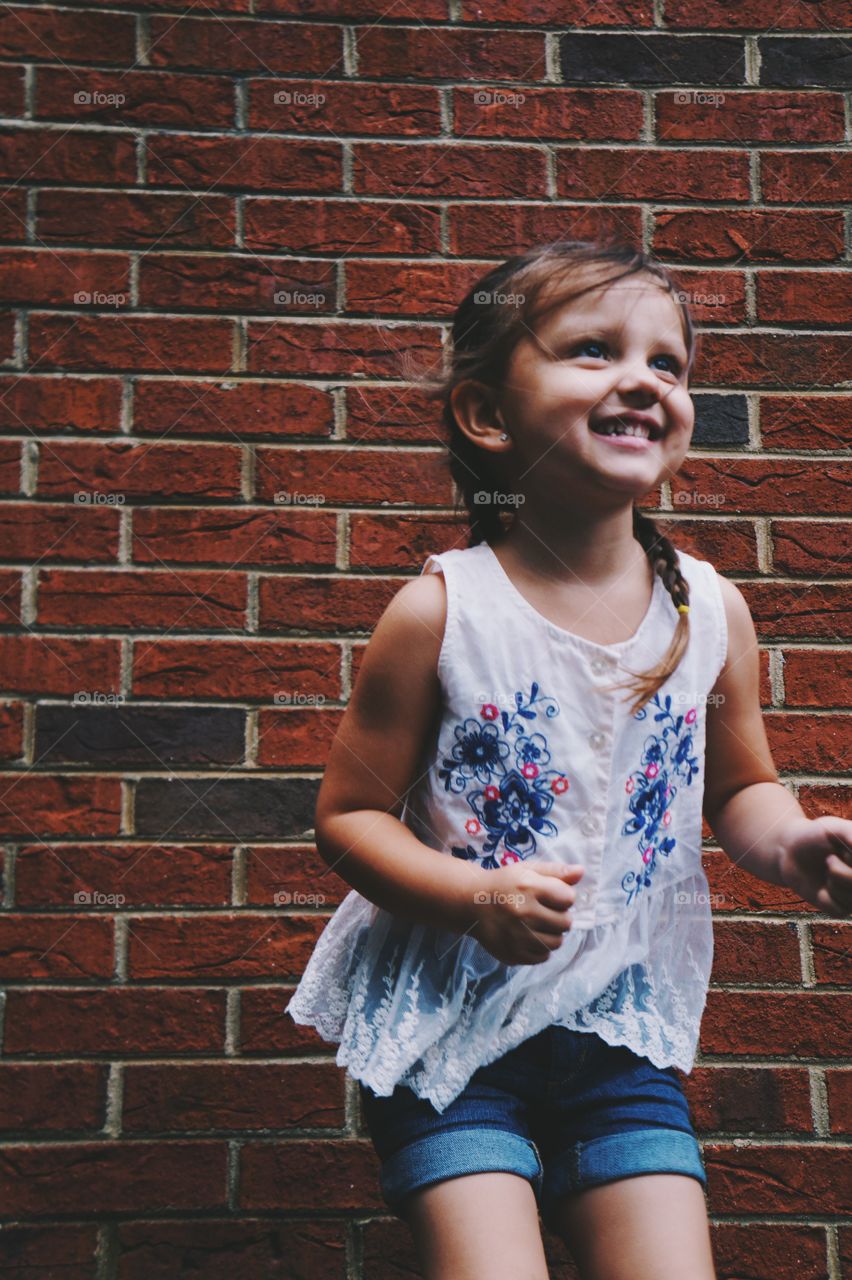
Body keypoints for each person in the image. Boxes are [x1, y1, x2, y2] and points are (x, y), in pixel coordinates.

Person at [285, 240, 852, 1280]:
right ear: (489, 415)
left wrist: (791, 840)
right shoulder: (441, 613)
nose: (642, 378)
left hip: (618, 1036)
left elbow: (740, 786)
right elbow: (348, 816)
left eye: (668, 363)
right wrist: (472, 893)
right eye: (593, 351)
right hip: (448, 1039)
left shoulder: (711, 611)